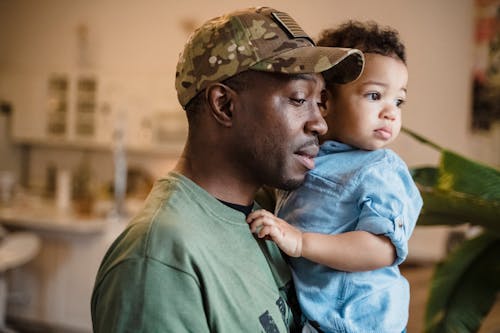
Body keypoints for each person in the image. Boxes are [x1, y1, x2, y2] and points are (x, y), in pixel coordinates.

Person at [90, 7, 364, 333]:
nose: (319, 123)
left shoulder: (264, 221)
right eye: (298, 99)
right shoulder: (159, 261)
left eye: (320, 101)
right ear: (225, 105)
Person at [247, 21, 423, 333]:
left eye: (398, 101)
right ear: (325, 101)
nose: (391, 112)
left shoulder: (380, 169)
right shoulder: (311, 156)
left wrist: (302, 242)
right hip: (316, 316)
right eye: (374, 96)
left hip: (357, 323)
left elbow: (383, 249)